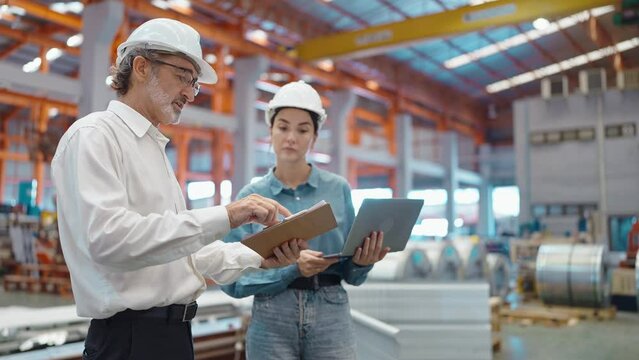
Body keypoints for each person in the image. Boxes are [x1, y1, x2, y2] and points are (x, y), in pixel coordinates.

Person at [51, 18, 305, 360]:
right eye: (183, 76)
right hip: (130, 341)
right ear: (141, 67)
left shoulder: (151, 148)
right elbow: (110, 240)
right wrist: (227, 215)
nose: (189, 93)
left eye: (194, 83)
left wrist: (258, 255)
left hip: (171, 337)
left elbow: (182, 255)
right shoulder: (95, 136)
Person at [221, 80, 390, 359]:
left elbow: (352, 274)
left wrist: (362, 262)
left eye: (303, 130)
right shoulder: (251, 197)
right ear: (271, 131)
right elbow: (232, 281)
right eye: (283, 127)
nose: (291, 137)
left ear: (314, 137)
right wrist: (291, 270)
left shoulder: (337, 189)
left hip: (331, 313)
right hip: (272, 314)